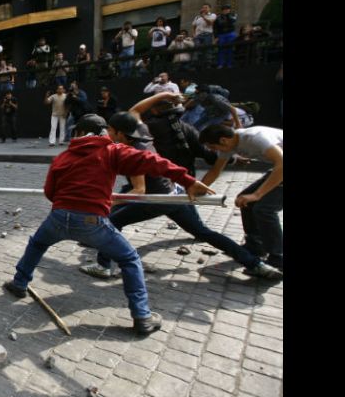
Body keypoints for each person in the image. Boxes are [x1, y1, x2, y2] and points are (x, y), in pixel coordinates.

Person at [2, 113, 215, 335]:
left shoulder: (63, 157)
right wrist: (187, 180)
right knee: (129, 259)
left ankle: (19, 283)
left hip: (58, 217)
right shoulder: (113, 151)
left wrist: (69, 202)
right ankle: (142, 317)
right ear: (104, 132)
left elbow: (50, 192)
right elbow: (152, 161)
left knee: (37, 244)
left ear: (78, 133)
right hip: (92, 222)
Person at [80, 95, 282, 281]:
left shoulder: (131, 152)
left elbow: (139, 191)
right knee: (203, 232)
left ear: (120, 133)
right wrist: (165, 95)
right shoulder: (141, 132)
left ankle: (103, 266)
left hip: (157, 199)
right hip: (174, 194)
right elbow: (135, 110)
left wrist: (110, 201)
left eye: (111, 130)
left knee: (112, 221)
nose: (108, 133)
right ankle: (255, 264)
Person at [200, 124, 284, 272]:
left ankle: (278, 257)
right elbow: (215, 170)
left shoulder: (256, 138)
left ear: (223, 140)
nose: (213, 150)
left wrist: (257, 194)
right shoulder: (229, 145)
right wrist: (198, 189)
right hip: (279, 167)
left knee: (264, 209)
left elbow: (282, 163)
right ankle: (255, 245)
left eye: (212, 147)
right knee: (245, 201)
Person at [191, 4, 217, 68]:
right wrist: (194, 34)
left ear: (209, 8)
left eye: (206, 7)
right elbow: (193, 26)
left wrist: (203, 16)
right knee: (197, 49)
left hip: (207, 35)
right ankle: (196, 64)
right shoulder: (197, 17)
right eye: (203, 7)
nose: (204, 9)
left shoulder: (212, 15)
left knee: (207, 50)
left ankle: (208, 64)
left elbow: (210, 23)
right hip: (198, 35)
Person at [214, 4, 238, 68]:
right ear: (222, 10)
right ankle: (220, 64)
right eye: (224, 9)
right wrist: (216, 36)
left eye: (227, 9)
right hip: (221, 34)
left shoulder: (233, 15)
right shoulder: (218, 17)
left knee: (230, 48)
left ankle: (229, 64)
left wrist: (227, 15)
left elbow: (232, 21)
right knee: (221, 49)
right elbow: (215, 27)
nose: (226, 10)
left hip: (230, 33)